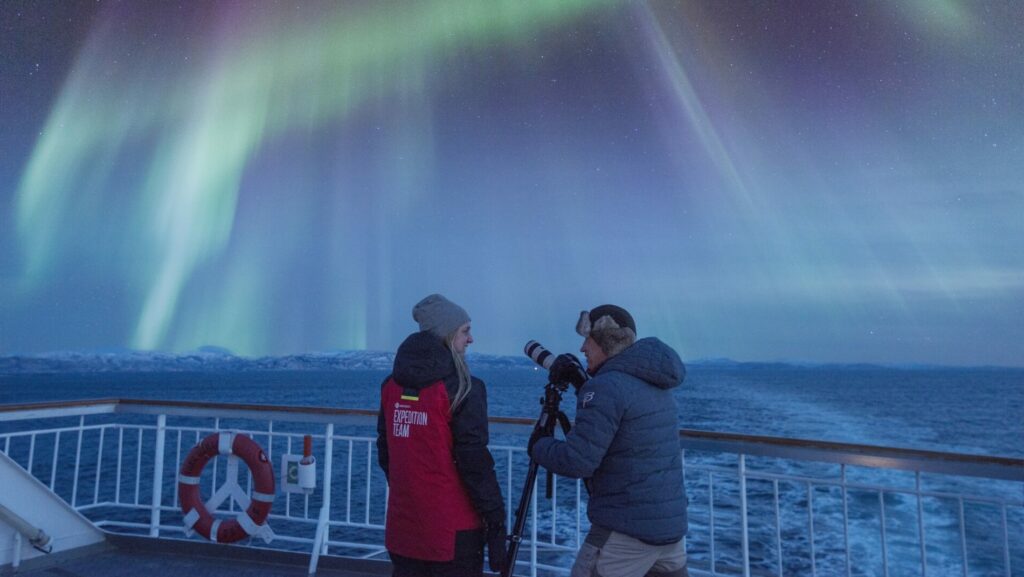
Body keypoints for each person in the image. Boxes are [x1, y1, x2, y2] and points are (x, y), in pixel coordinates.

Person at [529, 305, 689, 577]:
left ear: (606, 341)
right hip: (669, 532)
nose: (582, 348)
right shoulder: (654, 382)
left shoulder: (606, 387)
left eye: (587, 340)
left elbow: (578, 462)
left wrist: (539, 445)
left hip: (625, 533)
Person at [377, 294, 507, 577]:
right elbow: (475, 464)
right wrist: (496, 519)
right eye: (465, 330)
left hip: (404, 526)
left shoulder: (391, 386)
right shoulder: (463, 389)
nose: (470, 339)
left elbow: (385, 453)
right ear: (447, 335)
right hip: (453, 531)